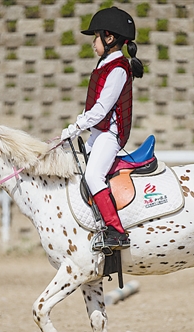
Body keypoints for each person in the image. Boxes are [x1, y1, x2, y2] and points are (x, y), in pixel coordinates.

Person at [61, 7, 144, 250]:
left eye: (95, 37)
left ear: (109, 38)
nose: (92, 43)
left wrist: (73, 128)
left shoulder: (118, 69)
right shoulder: (105, 64)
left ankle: (117, 233)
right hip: (98, 132)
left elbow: (100, 109)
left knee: (93, 176)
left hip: (111, 135)